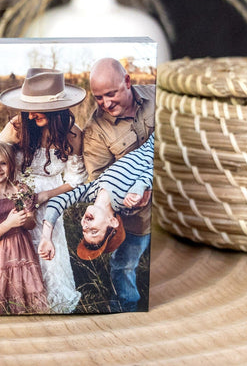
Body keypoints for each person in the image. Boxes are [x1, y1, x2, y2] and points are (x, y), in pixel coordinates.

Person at [0, 68, 88, 313]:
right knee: (17, 250)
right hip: (14, 194)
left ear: (58, 109)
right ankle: (21, 302)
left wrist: (47, 195)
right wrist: (14, 190)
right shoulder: (18, 125)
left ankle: (52, 303)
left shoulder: (73, 134)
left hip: (50, 197)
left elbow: (76, 179)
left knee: (48, 256)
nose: (30, 113)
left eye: (37, 108)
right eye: (28, 106)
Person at [82, 58, 155, 312]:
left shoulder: (156, 96)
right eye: (99, 97)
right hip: (136, 218)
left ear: (127, 81)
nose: (105, 103)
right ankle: (127, 312)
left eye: (111, 94)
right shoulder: (95, 131)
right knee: (124, 265)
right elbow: (100, 181)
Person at [37, 133, 154, 270]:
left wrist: (46, 236)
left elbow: (58, 201)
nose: (86, 227)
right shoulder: (125, 200)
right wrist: (141, 186)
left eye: (84, 231)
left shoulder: (91, 192)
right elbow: (152, 167)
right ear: (113, 222)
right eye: (94, 231)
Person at [0, 141, 49, 315]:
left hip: (22, 251)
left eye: (3, 163)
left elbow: (31, 224)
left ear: (11, 165)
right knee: (0, 295)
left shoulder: (20, 189)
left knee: (27, 293)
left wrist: (25, 217)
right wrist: (9, 223)